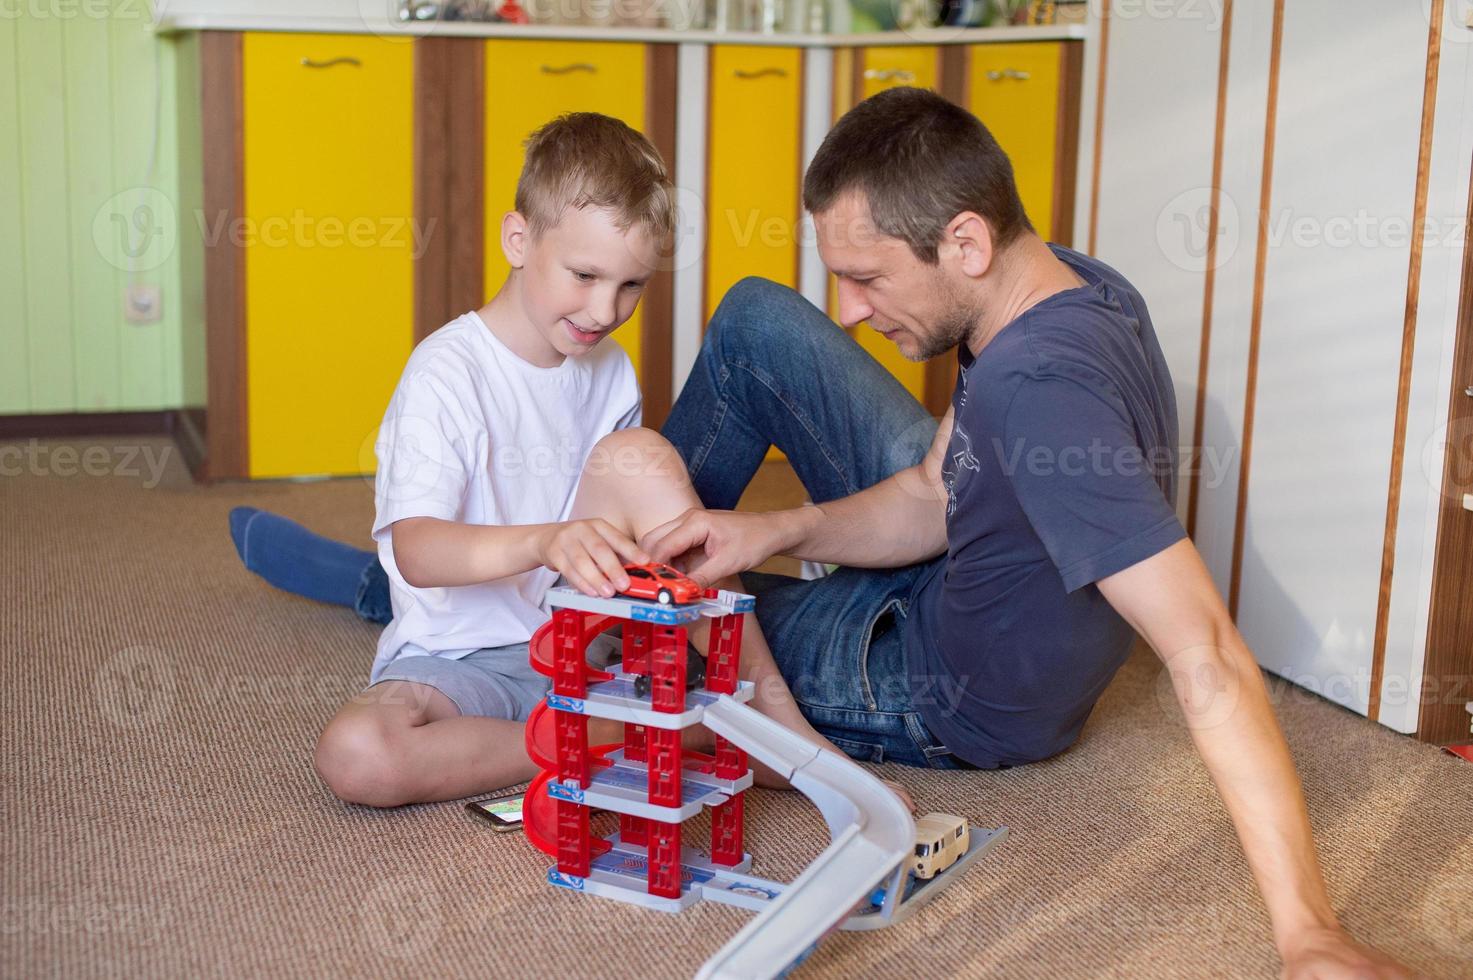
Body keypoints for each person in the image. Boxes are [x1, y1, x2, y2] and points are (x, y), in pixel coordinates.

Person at [236, 89, 1403, 977]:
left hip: (938, 677)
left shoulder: (1044, 391)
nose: (848, 309)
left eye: (863, 276)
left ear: (962, 242)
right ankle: (433, 568)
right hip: (907, 579)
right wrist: (770, 526)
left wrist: (1309, 932)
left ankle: (448, 584)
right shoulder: (1069, 288)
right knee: (738, 353)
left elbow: (1203, 652)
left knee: (679, 613)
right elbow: (940, 495)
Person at [268, 112, 852, 810]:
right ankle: (626, 735)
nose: (605, 309)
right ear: (518, 239)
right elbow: (419, 551)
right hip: (459, 666)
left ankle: (770, 720)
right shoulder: (445, 373)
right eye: (584, 275)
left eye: (631, 286)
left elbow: (634, 522)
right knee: (359, 752)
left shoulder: (609, 371)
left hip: (580, 645)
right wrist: (545, 540)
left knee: (641, 454)